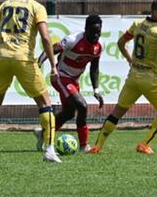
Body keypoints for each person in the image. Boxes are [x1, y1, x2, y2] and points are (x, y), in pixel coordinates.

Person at [0, 0, 62, 163]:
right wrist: (54, 65)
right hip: (23, 59)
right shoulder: (37, 7)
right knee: (45, 103)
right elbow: (46, 38)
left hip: (2, 58)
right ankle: (49, 149)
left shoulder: (6, 4)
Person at [89, 0, 157, 155]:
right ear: (155, 12)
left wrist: (130, 60)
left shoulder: (137, 24)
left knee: (117, 112)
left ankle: (97, 146)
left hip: (133, 76)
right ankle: (144, 144)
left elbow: (121, 43)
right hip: (150, 78)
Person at [35, 15, 105, 153]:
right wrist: (39, 62)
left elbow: (94, 68)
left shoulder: (99, 46)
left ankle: (43, 133)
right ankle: (84, 146)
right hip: (60, 76)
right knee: (82, 106)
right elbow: (52, 49)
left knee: (68, 113)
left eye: (99, 31)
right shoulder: (73, 40)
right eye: (93, 31)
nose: (96, 35)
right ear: (86, 29)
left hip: (74, 80)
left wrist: (96, 89)